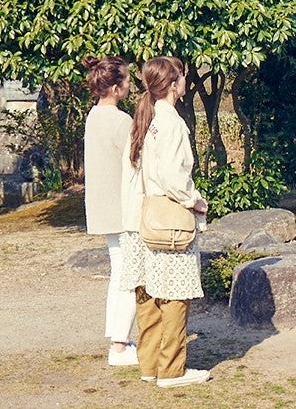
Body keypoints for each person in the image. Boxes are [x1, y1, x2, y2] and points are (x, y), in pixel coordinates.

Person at [119, 56, 210, 386]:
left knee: (147, 293)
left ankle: (150, 365)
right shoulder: (170, 122)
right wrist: (193, 199)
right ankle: (172, 370)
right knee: (174, 294)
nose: (185, 82)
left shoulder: (145, 118)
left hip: (140, 220)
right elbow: (172, 174)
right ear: (173, 85)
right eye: (182, 77)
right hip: (167, 219)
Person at [81, 56, 141, 367]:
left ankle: (118, 339)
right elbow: (136, 163)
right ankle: (118, 346)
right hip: (122, 206)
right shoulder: (120, 121)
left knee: (119, 272)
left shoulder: (93, 116)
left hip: (102, 205)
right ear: (116, 88)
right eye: (128, 81)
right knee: (128, 275)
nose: (131, 85)